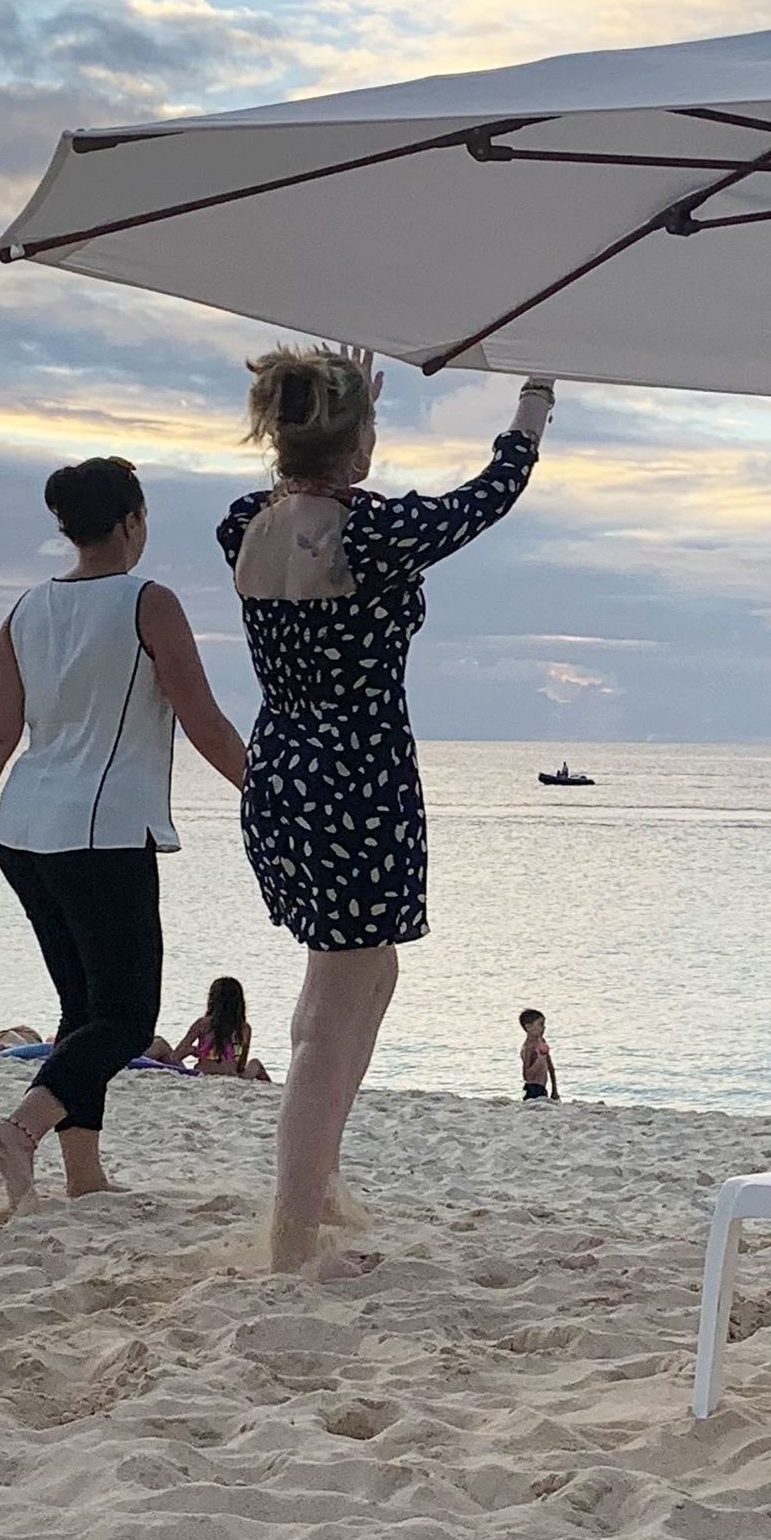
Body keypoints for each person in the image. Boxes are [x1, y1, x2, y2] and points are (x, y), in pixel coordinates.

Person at [219, 344, 552, 1276]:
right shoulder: (373, 534)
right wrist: (532, 405)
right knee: (334, 1005)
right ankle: (292, 1236)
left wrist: (346, 418)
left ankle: (316, 1180)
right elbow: (490, 494)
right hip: (356, 779)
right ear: (357, 445)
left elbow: (308, 499)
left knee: (362, 976)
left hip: (282, 771)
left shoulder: (243, 523)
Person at [0, 456, 247, 1207]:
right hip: (103, 833)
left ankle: (84, 1175)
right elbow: (202, 719)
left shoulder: (25, 609)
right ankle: (21, 1129)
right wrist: (265, 794)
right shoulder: (149, 602)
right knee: (128, 1019)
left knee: (83, 1011)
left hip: (23, 833)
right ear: (132, 520)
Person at [164, 977, 271, 1080]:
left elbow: (175, 1056)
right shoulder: (244, 1028)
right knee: (255, 1063)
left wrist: (192, 1050)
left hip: (204, 1073)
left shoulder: (202, 1024)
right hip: (232, 1075)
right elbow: (241, 1064)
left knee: (161, 1044)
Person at [519, 1007, 559, 1101]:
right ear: (528, 1027)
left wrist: (554, 1089)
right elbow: (526, 1075)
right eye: (540, 1024)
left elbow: (550, 1067)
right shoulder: (528, 1047)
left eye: (544, 1024)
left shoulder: (542, 1042)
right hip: (531, 1087)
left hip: (542, 1087)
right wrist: (539, 1059)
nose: (544, 1028)